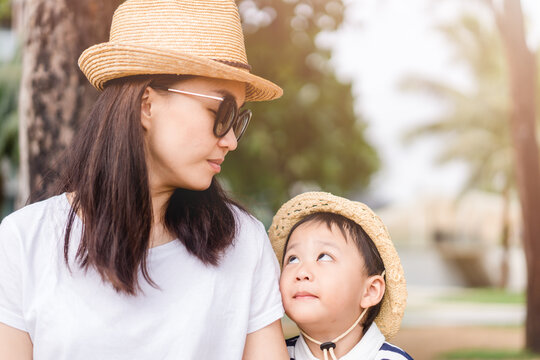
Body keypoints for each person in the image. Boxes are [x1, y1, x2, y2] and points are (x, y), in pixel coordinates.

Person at [0, 0, 289, 359]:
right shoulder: (25, 241)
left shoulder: (242, 243)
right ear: (146, 105)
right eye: (220, 112)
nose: (230, 140)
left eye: (238, 120)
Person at [268, 192, 414, 360]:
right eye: (292, 259)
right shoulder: (274, 354)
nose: (301, 273)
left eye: (324, 256)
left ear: (370, 291)